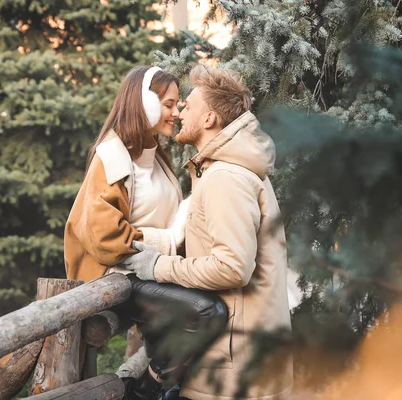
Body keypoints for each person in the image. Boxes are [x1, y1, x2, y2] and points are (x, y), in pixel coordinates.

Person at [121, 65, 296, 399]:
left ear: (209, 119)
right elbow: (202, 241)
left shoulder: (226, 178)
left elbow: (232, 267)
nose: (180, 110)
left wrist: (157, 267)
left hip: (233, 370)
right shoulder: (228, 171)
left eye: (189, 105)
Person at [63, 66, 228, 400]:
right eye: (169, 104)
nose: (177, 112)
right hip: (114, 276)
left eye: (178, 104)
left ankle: (161, 389)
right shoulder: (110, 156)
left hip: (148, 271)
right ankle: (144, 391)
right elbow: (104, 235)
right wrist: (167, 239)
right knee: (209, 312)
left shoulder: (156, 156)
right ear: (145, 105)